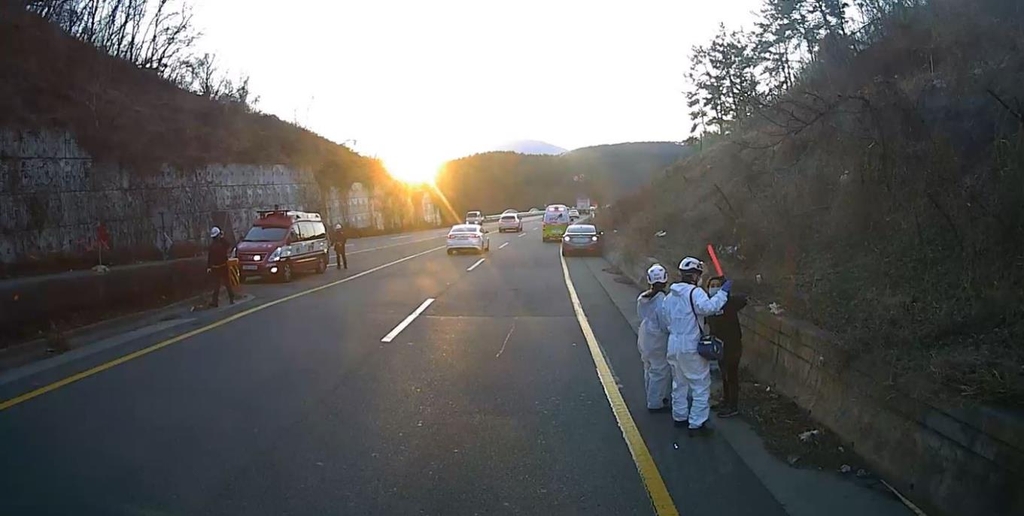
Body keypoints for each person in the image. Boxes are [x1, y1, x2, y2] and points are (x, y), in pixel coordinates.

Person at [661, 257, 731, 435]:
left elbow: (665, 320)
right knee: (700, 385)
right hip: (691, 345)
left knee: (679, 383)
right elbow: (708, 308)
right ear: (694, 276)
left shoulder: (670, 296)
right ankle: (697, 423)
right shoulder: (695, 292)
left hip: (673, 344)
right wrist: (723, 293)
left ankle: (680, 417)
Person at [707, 276, 747, 418]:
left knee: (731, 375)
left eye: (717, 285)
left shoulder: (729, 303)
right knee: (724, 374)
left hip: (733, 345)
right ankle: (726, 400)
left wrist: (727, 294)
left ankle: (733, 405)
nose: (714, 287)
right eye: (712, 285)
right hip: (719, 346)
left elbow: (743, 299)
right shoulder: (709, 305)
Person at [637, 264, 672, 412]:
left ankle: (653, 396)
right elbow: (665, 324)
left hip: (645, 336)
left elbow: (641, 316)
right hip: (658, 340)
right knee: (659, 371)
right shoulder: (663, 300)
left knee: (649, 368)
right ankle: (655, 402)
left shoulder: (643, 298)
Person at [207, 226, 235, 307]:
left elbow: (210, 258)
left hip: (215, 268)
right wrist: (223, 237)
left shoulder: (212, 246)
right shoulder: (222, 244)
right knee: (227, 283)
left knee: (216, 285)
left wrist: (209, 267)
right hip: (223, 267)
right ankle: (231, 298)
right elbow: (228, 244)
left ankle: (215, 302)